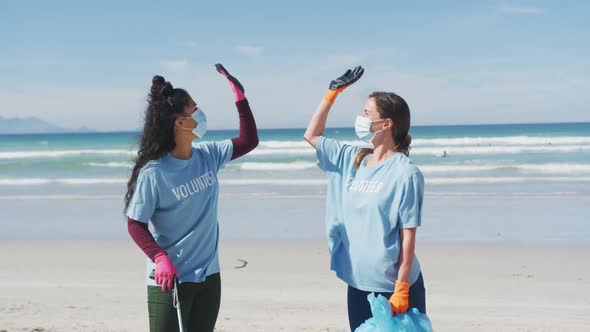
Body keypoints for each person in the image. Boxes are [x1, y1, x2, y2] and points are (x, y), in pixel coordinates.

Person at [125, 64, 258, 332]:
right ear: (181, 122)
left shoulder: (207, 156)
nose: (201, 113)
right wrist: (160, 258)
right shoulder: (155, 171)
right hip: (169, 279)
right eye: (194, 108)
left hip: (209, 275)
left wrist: (241, 99)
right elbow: (135, 223)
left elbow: (248, 140)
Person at [303, 66, 426, 331]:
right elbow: (312, 135)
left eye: (366, 113)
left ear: (386, 124)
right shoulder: (353, 159)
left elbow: (408, 239)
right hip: (358, 284)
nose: (360, 117)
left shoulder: (406, 174)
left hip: (391, 288)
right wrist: (331, 94)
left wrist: (402, 288)